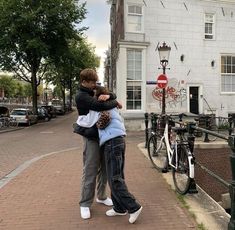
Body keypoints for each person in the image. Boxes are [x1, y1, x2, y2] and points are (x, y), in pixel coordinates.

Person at [77, 86, 143, 224]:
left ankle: (133, 207)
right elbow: (113, 101)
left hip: (112, 142)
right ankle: (119, 208)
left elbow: (96, 122)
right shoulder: (108, 103)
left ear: (98, 97)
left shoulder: (101, 106)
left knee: (115, 178)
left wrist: (79, 124)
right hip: (117, 140)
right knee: (117, 175)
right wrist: (112, 99)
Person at [75, 68, 119, 220]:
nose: (94, 85)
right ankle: (85, 203)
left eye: (95, 81)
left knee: (105, 168)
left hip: (103, 136)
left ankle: (101, 196)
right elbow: (101, 106)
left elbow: (111, 94)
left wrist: (109, 96)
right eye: (92, 82)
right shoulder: (81, 96)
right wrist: (115, 102)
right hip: (91, 137)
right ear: (84, 81)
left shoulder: (92, 89)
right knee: (90, 169)